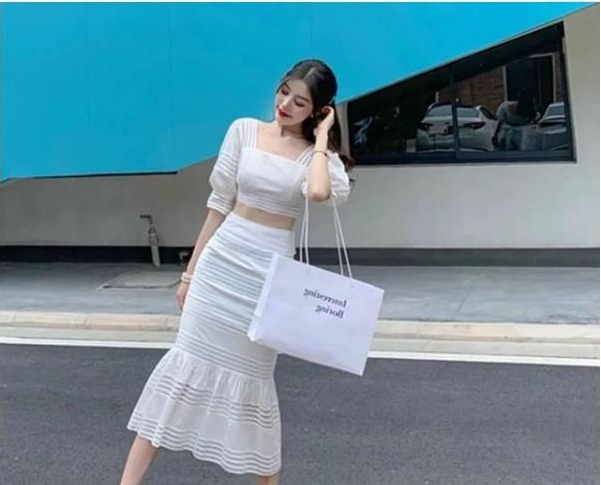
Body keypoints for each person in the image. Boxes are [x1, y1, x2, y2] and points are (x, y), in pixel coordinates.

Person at [118, 59, 354, 485]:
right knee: (181, 370)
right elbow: (217, 206)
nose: (285, 104)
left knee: (255, 384)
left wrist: (321, 139)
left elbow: (320, 192)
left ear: (319, 110)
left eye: (300, 102)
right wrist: (189, 275)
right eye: (284, 91)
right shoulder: (244, 130)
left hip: (267, 279)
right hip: (220, 265)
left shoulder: (314, 156)